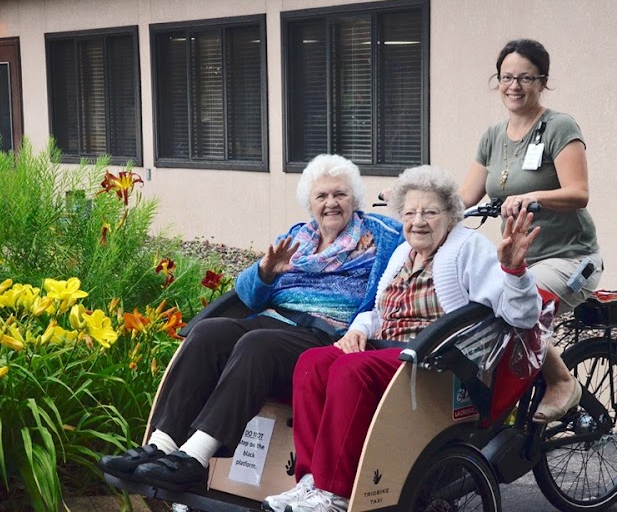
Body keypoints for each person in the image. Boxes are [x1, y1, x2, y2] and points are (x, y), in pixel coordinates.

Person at [98, 154, 402, 490]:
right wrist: (265, 272)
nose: (331, 203)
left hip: (323, 337)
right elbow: (248, 297)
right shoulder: (298, 237)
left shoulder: (382, 235)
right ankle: (161, 445)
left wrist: (411, 200)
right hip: (273, 322)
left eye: (340, 195)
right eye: (321, 196)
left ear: (354, 198)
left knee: (257, 345)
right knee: (208, 332)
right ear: (310, 204)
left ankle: (196, 458)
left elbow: (422, 229)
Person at [262, 165, 542, 512]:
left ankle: (334, 494)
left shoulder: (468, 248)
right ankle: (312, 482)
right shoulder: (402, 253)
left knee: (351, 370)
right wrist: (358, 330)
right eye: (410, 213)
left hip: (435, 359)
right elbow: (378, 310)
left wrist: (515, 272)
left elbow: (521, 315)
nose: (418, 221)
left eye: (430, 212)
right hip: (389, 352)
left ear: (451, 214)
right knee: (314, 362)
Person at [459, 38, 602, 423]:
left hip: (570, 256)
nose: (514, 86)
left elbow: (579, 193)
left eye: (525, 77)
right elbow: (464, 197)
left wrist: (532, 195)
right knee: (475, 306)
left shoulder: (559, 126)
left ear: (543, 81)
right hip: (518, 258)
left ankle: (562, 382)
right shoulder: (493, 135)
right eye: (507, 77)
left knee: (521, 306)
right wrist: (415, 200)